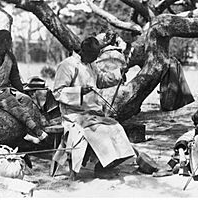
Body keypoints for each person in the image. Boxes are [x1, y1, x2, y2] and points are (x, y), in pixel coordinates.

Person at [52, 36, 135, 180]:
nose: (95, 59)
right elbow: (57, 92)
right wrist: (79, 91)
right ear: (84, 51)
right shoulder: (67, 65)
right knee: (101, 131)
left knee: (117, 128)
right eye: (93, 56)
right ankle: (101, 166)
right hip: (74, 115)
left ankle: (104, 166)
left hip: (93, 114)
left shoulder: (91, 64)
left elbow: (101, 80)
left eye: (96, 56)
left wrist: (118, 74)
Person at [0, 29, 47, 144]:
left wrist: (22, 92)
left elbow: (15, 78)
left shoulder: (10, 56)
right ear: (5, 41)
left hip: (5, 89)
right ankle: (37, 130)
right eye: (10, 41)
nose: (11, 43)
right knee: (12, 103)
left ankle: (26, 133)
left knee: (27, 100)